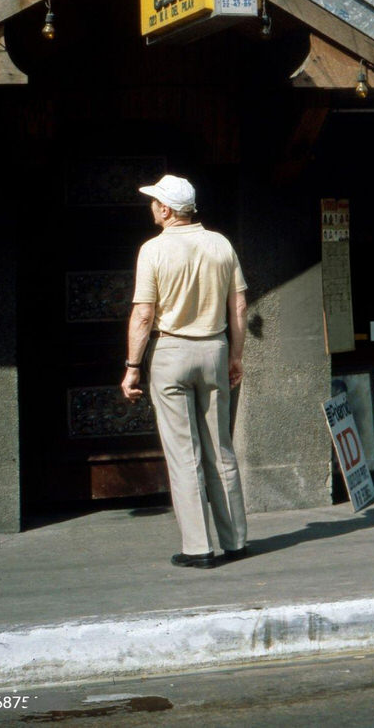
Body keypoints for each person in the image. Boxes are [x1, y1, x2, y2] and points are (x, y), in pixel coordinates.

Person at [121, 174, 249, 568]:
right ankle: (236, 541)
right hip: (214, 347)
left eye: (155, 201)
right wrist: (236, 357)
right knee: (220, 449)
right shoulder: (221, 244)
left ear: (167, 210)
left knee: (184, 453)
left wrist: (132, 367)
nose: (152, 207)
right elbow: (239, 307)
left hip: (171, 351)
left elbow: (143, 315)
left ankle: (198, 547)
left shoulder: (153, 250)